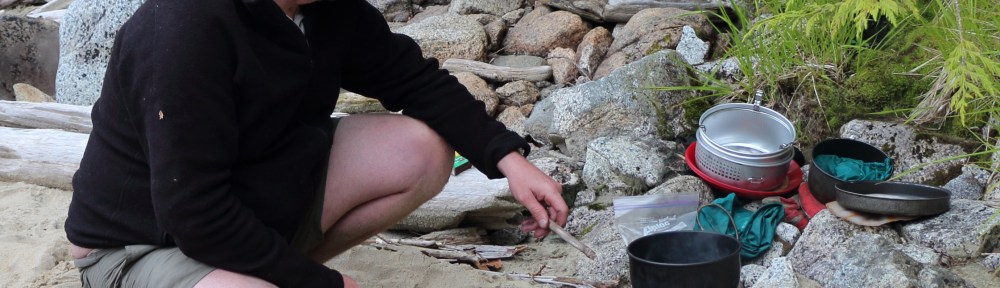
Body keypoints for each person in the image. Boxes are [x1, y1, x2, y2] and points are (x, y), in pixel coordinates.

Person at [64, 0, 569, 287]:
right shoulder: (186, 27)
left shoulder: (325, 8)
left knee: (420, 148)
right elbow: (192, 210)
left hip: (249, 200)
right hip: (138, 244)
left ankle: (280, 272)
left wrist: (508, 159)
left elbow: (414, 80)